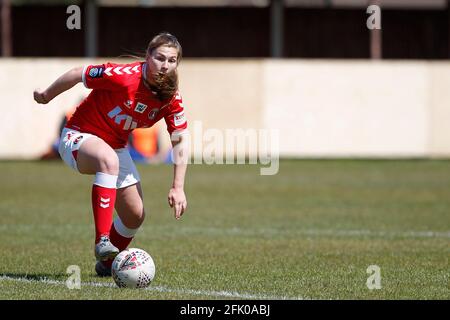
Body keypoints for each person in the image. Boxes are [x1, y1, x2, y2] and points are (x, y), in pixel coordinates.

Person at [33, 32, 189, 276]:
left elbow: (180, 139)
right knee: (108, 159)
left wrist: (178, 187)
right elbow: (78, 73)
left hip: (114, 147)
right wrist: (46, 96)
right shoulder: (123, 76)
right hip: (78, 137)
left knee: (134, 215)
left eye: (171, 60)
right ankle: (102, 241)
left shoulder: (171, 97)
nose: (165, 65)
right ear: (148, 56)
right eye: (160, 58)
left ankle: (107, 265)